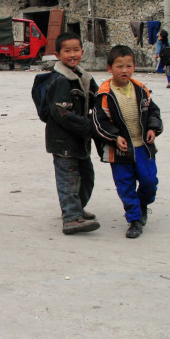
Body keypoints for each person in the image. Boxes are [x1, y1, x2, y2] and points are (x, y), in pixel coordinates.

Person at [92, 45, 163, 239]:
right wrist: (115, 137)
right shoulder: (105, 95)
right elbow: (99, 122)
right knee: (125, 185)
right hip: (120, 151)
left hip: (143, 147)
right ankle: (134, 219)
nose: (125, 70)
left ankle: (142, 204)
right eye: (119, 66)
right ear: (109, 68)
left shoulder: (141, 90)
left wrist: (152, 128)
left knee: (149, 181)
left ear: (134, 67)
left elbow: (154, 112)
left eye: (129, 66)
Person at [45, 32, 100, 235]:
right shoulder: (59, 80)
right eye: (67, 51)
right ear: (58, 54)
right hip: (63, 140)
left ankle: (76, 209)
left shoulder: (84, 77)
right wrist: (89, 126)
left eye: (76, 50)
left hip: (80, 139)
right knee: (69, 179)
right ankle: (70, 218)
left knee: (87, 177)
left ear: (82, 52)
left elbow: (98, 99)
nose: (72, 54)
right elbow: (62, 113)